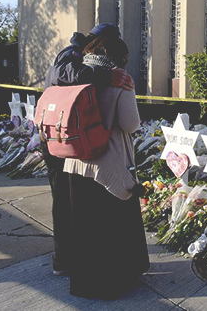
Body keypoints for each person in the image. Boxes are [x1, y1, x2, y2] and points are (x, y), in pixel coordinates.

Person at [43, 24, 134, 276]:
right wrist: (108, 77)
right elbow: (62, 73)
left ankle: (74, 257)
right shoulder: (71, 53)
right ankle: (63, 260)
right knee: (62, 199)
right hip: (57, 138)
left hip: (69, 135)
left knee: (71, 201)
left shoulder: (85, 58)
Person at [63, 34, 149, 299]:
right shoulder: (119, 81)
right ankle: (111, 283)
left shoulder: (76, 77)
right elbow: (130, 123)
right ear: (117, 57)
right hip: (107, 166)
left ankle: (84, 284)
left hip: (76, 162)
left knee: (85, 229)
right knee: (111, 229)